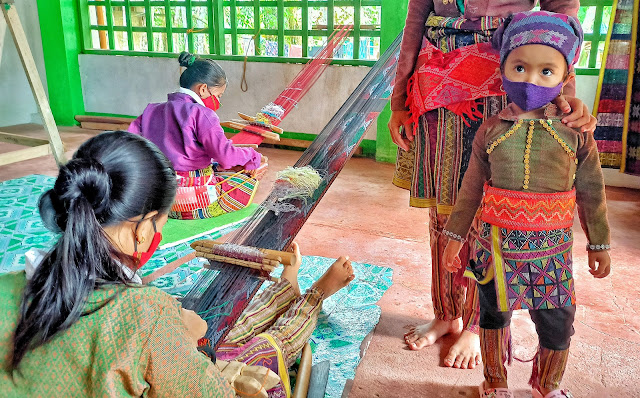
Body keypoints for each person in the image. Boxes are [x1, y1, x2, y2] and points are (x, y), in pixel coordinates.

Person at [0, 130, 355, 397]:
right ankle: (311, 296)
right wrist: (197, 355)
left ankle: (286, 292)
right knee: (261, 353)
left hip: (162, 331)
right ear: (141, 230)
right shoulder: (146, 314)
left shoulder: (7, 287)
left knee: (227, 333)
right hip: (181, 350)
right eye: (162, 223)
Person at [388, 0, 599, 369]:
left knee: (492, 210)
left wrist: (565, 93)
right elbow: (416, 16)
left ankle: (476, 322)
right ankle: (446, 313)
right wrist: (399, 97)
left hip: (509, 81)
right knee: (446, 212)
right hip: (437, 86)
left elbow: (562, 14)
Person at [441, 11, 611, 398]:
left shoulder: (576, 133)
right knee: (493, 315)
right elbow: (470, 190)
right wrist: (454, 235)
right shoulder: (491, 130)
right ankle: (495, 383)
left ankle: (547, 388)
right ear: (503, 68)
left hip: (551, 254)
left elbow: (592, 190)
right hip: (495, 250)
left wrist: (598, 243)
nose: (530, 80)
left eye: (546, 71)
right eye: (519, 67)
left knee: (557, 321)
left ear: (566, 77)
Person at [129, 51, 267, 220]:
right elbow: (226, 156)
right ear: (203, 89)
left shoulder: (152, 110)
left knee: (217, 165)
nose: (218, 102)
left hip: (160, 199)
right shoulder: (203, 114)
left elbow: (131, 144)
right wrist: (253, 156)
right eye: (218, 96)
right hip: (190, 203)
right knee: (248, 177)